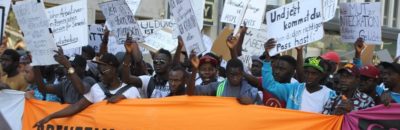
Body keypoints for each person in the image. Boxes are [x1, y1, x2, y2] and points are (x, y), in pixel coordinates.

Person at [33, 53, 141, 128]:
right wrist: (50, 116)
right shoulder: (97, 89)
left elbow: (140, 117)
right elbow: (76, 107)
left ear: (113, 69)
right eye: (98, 68)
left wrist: (124, 101)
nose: (99, 72)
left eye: (102, 68)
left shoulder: (131, 91)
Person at [262, 39, 336, 113]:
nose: (309, 76)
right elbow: (270, 85)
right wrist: (267, 58)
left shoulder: (329, 95)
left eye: (314, 73)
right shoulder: (293, 90)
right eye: (306, 72)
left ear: (321, 75)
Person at [187, 51, 262, 105]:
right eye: (232, 75)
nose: (235, 78)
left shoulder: (252, 91)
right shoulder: (217, 87)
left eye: (238, 75)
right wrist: (194, 69)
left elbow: (262, 112)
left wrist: (252, 104)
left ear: (242, 74)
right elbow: (191, 92)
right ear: (226, 74)